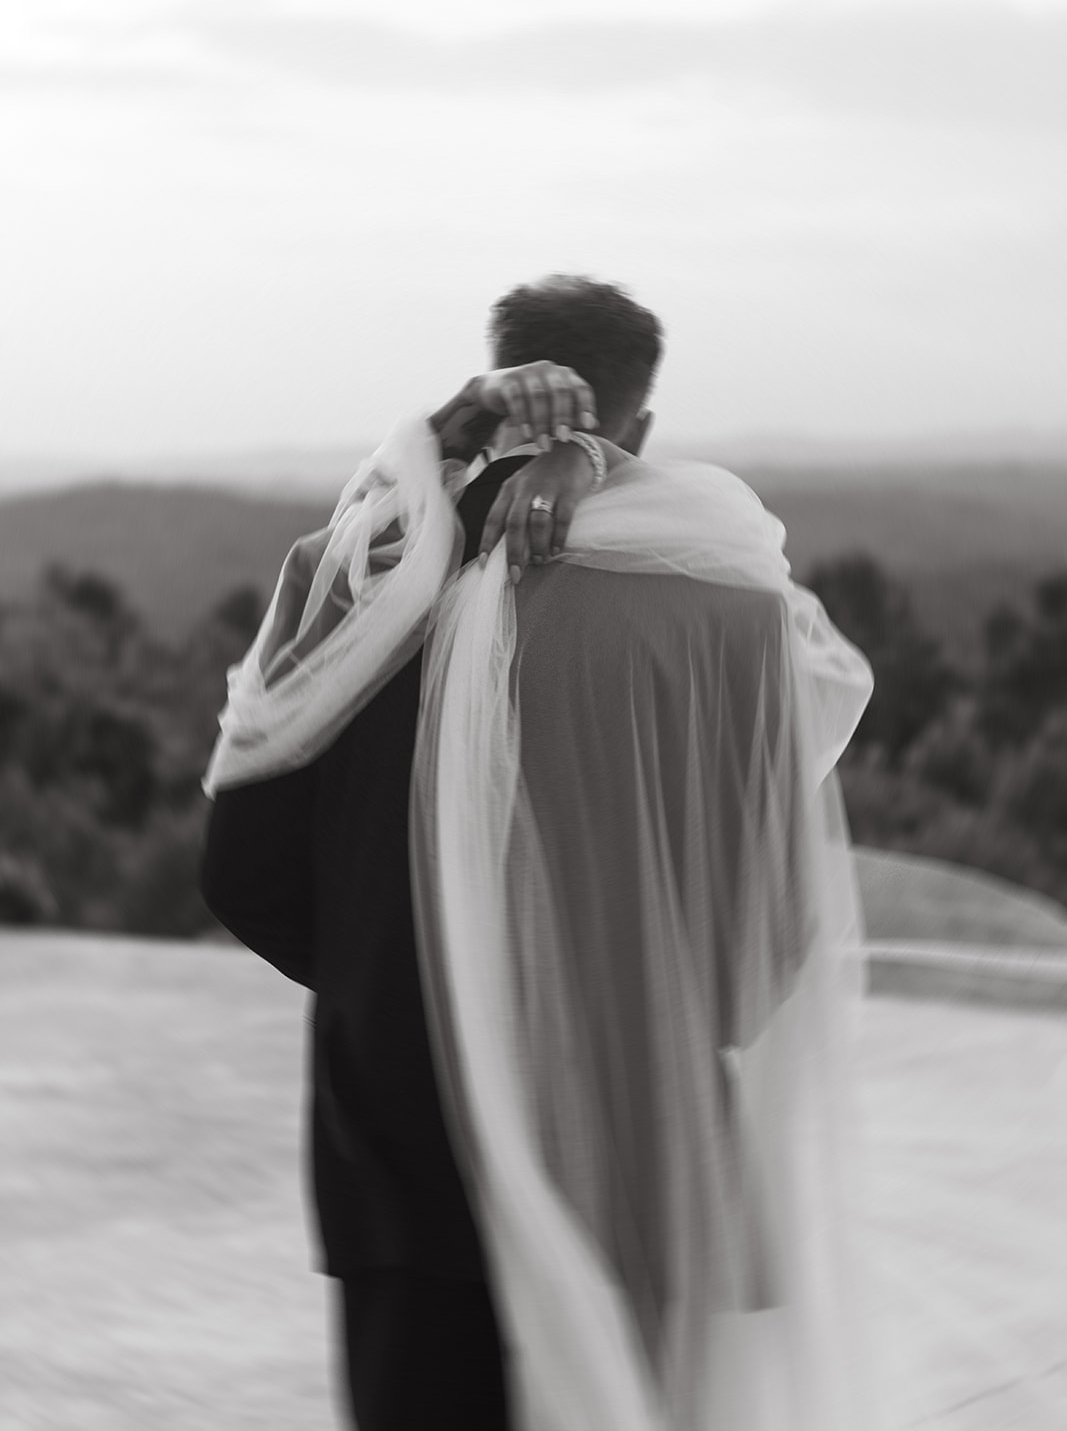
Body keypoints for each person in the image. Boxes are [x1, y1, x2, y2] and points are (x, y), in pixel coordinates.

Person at [201, 275, 875, 1431]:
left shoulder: (346, 575)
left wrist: (405, 976)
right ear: (641, 429)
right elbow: (767, 936)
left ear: (495, 386)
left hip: (405, 1160)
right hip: (641, 1163)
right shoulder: (731, 613)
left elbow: (243, 866)